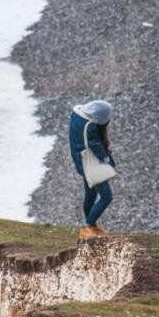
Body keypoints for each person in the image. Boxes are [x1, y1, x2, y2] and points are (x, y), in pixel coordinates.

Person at [69, 100, 115, 239]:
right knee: (107, 196)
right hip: (91, 164)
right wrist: (108, 161)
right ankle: (87, 226)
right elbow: (95, 145)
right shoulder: (90, 127)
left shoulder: (77, 116)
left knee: (90, 194)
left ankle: (92, 225)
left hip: (82, 162)